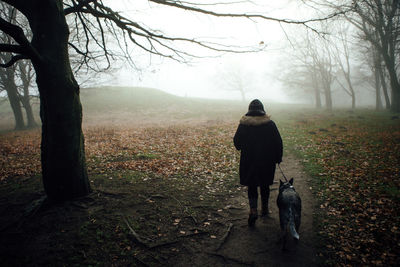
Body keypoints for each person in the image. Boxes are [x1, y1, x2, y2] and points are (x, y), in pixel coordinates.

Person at [233, 99, 283, 226]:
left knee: (252, 185)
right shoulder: (270, 124)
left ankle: (253, 210)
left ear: (249, 110)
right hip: (267, 161)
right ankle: (265, 209)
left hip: (249, 161)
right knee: (265, 184)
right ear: (262, 110)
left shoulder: (244, 124)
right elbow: (278, 142)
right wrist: (278, 157)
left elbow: (237, 143)